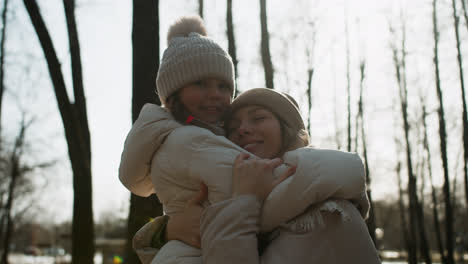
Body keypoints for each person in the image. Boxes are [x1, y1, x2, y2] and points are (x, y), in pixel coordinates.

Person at [119, 16, 375, 264]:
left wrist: (159, 233)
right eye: (232, 126)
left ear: (286, 128)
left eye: (258, 118)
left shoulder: (329, 215)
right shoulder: (188, 141)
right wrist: (164, 231)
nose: (242, 129)